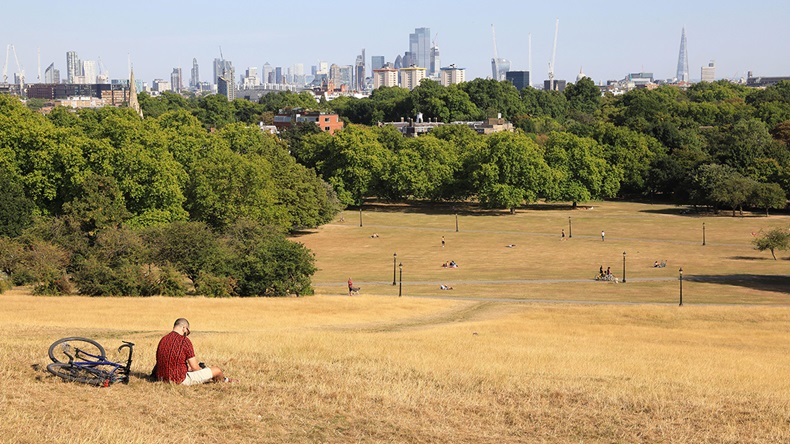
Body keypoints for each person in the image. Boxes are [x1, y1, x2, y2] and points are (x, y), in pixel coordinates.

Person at [155, 318, 231, 385]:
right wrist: (203, 371)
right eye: (188, 332)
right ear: (184, 328)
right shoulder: (184, 341)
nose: (186, 334)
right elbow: (195, 368)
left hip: (161, 378)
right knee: (216, 370)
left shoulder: (163, 339)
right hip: (179, 380)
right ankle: (225, 380)